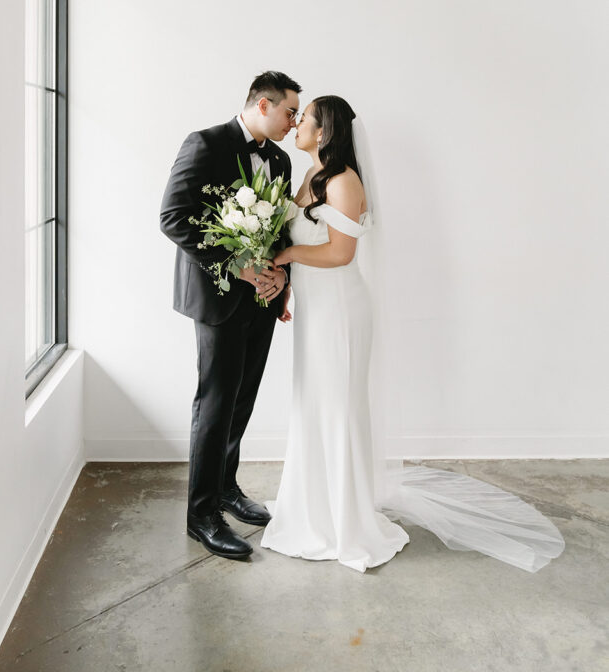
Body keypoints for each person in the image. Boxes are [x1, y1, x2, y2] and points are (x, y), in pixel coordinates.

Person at [261, 95, 565, 574]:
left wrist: (286, 259)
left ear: (324, 132)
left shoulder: (343, 182)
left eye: (305, 118)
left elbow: (341, 255)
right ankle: (311, 511)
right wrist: (284, 289)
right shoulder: (310, 178)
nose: (296, 123)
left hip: (340, 313)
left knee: (338, 409)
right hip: (315, 312)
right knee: (314, 406)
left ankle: (345, 523)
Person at [160, 71, 302, 560]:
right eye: (290, 112)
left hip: (262, 299)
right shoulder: (204, 143)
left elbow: (283, 231)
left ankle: (226, 489)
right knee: (215, 403)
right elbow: (173, 216)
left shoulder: (280, 160)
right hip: (219, 296)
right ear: (263, 105)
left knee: (243, 399)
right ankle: (201, 516)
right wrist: (239, 267)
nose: (294, 121)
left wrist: (282, 283)